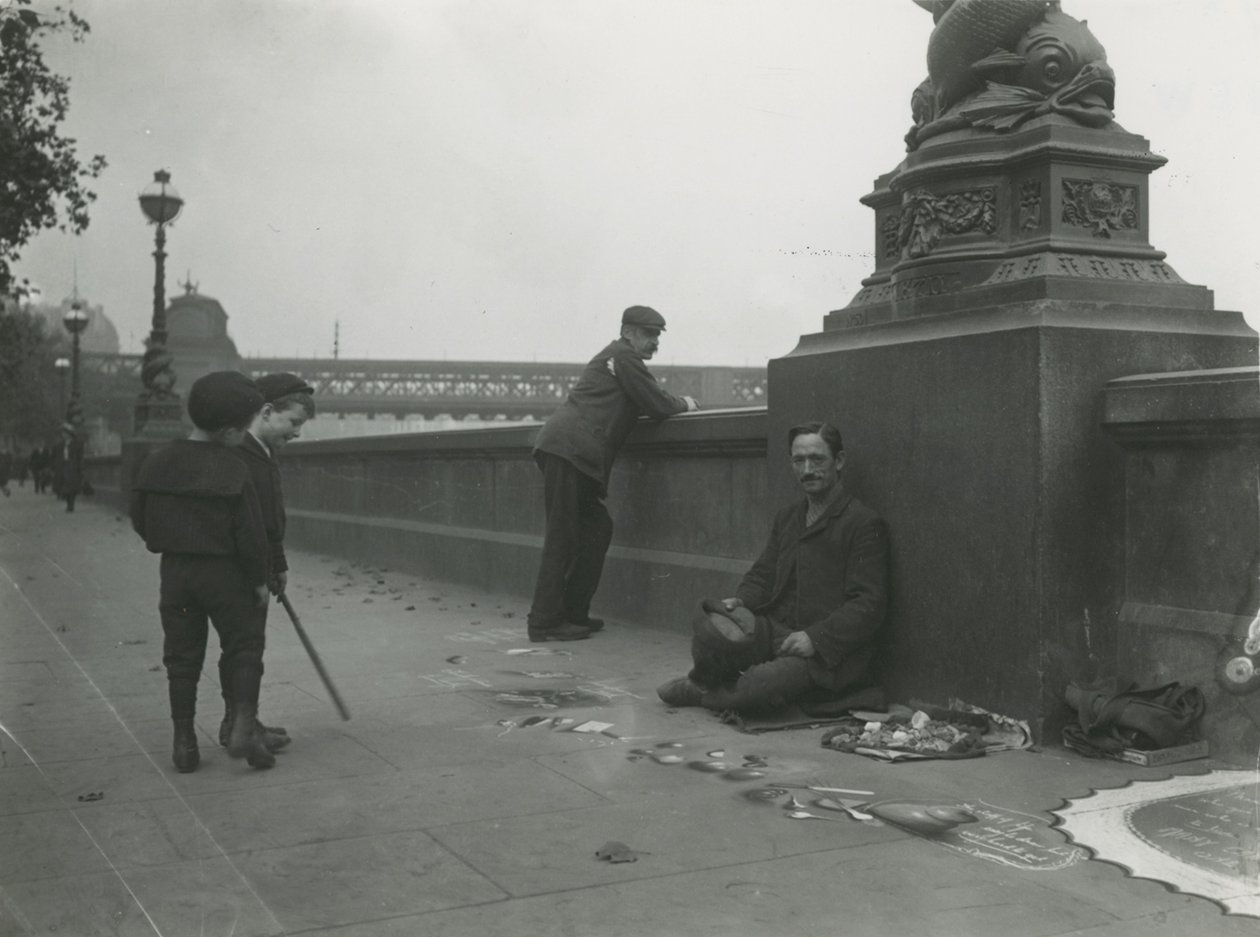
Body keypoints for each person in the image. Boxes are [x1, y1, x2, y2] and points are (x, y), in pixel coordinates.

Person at [656, 421, 890, 714]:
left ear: (839, 461)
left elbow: (869, 604)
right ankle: (712, 685)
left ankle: (703, 692)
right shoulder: (789, 517)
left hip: (825, 655)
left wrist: (815, 638)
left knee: (759, 685)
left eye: (817, 460)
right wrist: (741, 601)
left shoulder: (862, 523)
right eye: (799, 460)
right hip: (776, 629)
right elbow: (763, 574)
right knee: (709, 625)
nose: (807, 470)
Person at [130, 371, 280, 773]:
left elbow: (140, 520)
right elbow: (251, 536)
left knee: (181, 657)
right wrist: (259, 581)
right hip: (227, 576)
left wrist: (170, 543)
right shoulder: (234, 470)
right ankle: (243, 728)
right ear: (232, 431)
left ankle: (184, 743)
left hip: (176, 575)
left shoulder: (156, 462)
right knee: (244, 646)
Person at [527, 305, 699, 642]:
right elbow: (657, 404)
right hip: (570, 451)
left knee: (597, 528)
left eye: (658, 336)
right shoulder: (623, 357)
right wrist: (687, 404)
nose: (655, 343)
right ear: (628, 332)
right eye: (649, 335)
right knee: (562, 536)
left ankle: (573, 612)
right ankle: (543, 622)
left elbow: (640, 399)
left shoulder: (617, 358)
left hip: (572, 452)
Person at [216, 371, 315, 751]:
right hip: (243, 571)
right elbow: (250, 525)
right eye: (293, 423)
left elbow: (271, 521)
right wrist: (262, 570)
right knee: (245, 649)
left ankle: (238, 722)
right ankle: (241, 725)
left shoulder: (261, 452)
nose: (297, 433)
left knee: (246, 648)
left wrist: (280, 562)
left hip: (257, 566)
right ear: (268, 411)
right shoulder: (243, 456)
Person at [51, 425, 85, 512]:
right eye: (63, 433)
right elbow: (55, 456)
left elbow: (80, 457)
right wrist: (55, 466)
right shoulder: (59, 445)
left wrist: (81, 467)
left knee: (72, 486)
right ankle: (68, 503)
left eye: (65, 433)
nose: (63, 435)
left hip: (73, 467)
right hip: (62, 466)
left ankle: (71, 505)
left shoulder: (78, 444)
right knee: (64, 486)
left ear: (70, 434)